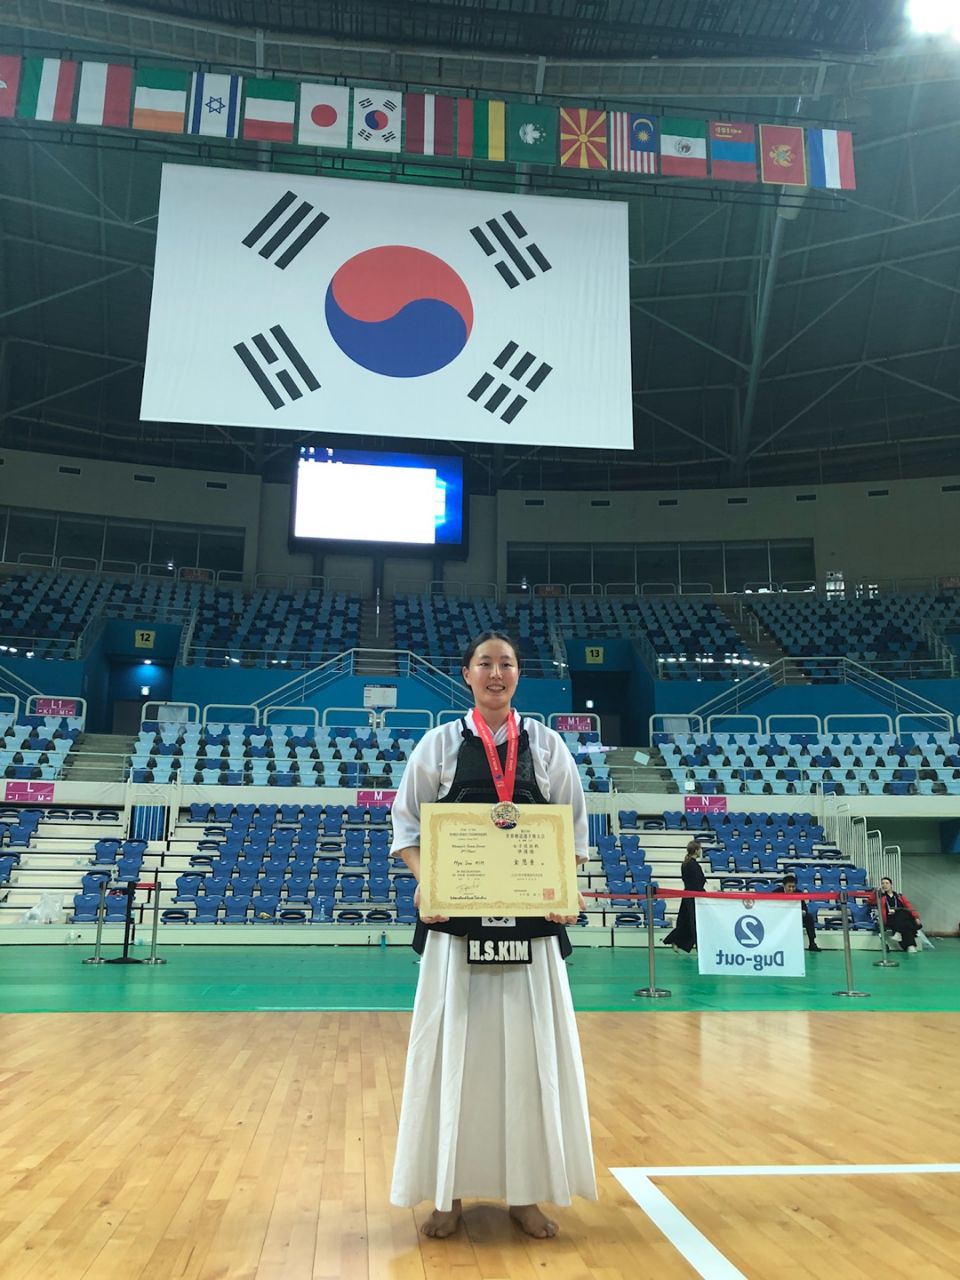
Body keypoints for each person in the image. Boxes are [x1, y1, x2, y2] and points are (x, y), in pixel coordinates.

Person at [389, 631, 597, 1241]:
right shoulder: (440, 743)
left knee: (532, 1062)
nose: (496, 673)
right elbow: (405, 825)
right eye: (486, 663)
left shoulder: (549, 745)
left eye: (506, 664)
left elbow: (575, 833)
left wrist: (566, 889)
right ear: (466, 674)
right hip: (456, 931)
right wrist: (428, 882)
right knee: (452, 1057)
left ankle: (525, 1195)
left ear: (518, 675)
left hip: (530, 933)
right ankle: (447, 1193)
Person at [662, 840, 705, 952]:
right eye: (699, 848)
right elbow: (697, 883)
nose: (701, 851)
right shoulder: (693, 865)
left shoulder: (686, 864)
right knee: (693, 922)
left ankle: (675, 940)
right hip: (693, 897)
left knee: (685, 922)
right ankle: (699, 947)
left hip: (688, 895)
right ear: (696, 850)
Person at [774, 872, 821, 951]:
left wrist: (803, 912)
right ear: (784, 886)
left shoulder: (799, 893)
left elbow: (804, 907)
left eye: (793, 887)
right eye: (789, 887)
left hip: (795, 916)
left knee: (809, 917)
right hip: (780, 917)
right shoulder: (775, 893)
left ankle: (812, 943)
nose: (791, 889)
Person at [878, 876, 921, 952]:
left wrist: (916, 917)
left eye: (886, 883)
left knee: (903, 914)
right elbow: (870, 901)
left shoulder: (899, 896)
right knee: (906, 922)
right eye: (882, 883)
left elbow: (909, 907)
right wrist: (877, 892)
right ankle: (910, 945)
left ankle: (902, 938)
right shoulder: (880, 897)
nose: (884, 885)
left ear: (891, 885)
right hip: (890, 919)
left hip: (901, 918)